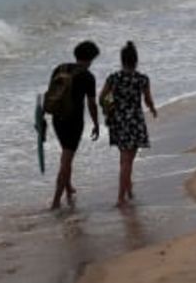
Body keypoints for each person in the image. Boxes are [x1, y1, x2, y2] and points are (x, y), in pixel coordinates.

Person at [44, 40, 101, 209]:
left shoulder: (60, 68)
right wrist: (97, 123)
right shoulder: (87, 76)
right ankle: (55, 201)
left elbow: (50, 94)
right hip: (74, 121)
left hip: (57, 118)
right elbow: (91, 103)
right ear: (90, 58)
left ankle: (68, 188)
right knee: (67, 160)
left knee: (65, 154)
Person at [100, 41, 157, 207]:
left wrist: (110, 108)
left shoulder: (113, 78)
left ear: (122, 60)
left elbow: (102, 97)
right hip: (134, 122)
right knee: (128, 161)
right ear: (136, 61)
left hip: (117, 122)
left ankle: (128, 189)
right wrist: (152, 109)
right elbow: (147, 99)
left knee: (124, 158)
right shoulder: (142, 79)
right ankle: (120, 198)